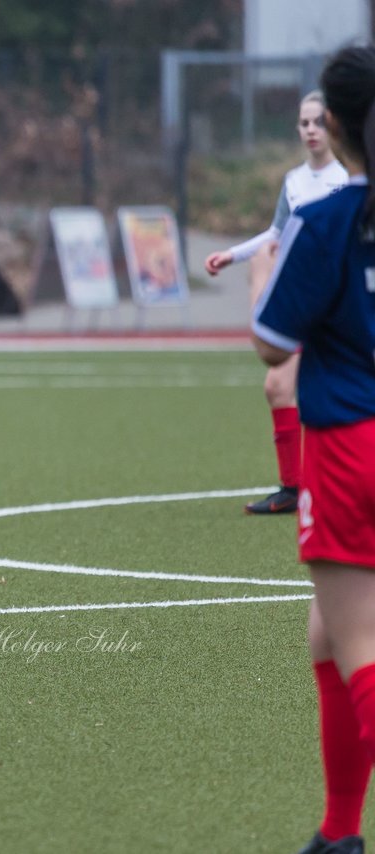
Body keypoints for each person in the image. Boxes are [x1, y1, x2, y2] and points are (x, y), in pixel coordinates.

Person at [250, 45, 375, 854]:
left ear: (329, 121)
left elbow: (271, 344)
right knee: (327, 636)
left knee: (358, 645)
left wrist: (265, 270)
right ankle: (338, 834)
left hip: (352, 446)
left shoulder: (329, 218)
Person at [206, 92, 349, 515]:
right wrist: (233, 255)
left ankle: (342, 485)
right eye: (303, 123)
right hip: (303, 298)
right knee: (277, 385)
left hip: (341, 304)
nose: (310, 130)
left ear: (333, 127)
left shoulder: (350, 180)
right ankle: (292, 487)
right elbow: (276, 234)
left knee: (345, 390)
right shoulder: (294, 182)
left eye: (318, 122)